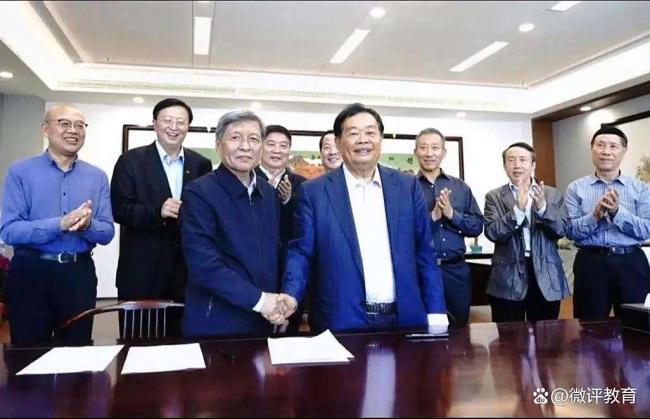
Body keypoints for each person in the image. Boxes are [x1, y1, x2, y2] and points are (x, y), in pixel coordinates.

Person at [277, 103, 448, 333]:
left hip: (405, 318)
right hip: (340, 320)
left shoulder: (407, 187)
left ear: (380, 140)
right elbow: (301, 252)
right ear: (339, 142)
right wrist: (291, 294)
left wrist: (436, 312)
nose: (363, 140)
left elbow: (424, 252)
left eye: (370, 132)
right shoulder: (314, 192)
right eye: (353, 133)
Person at [0, 104, 114, 345]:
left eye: (79, 125)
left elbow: (107, 232)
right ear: (45, 129)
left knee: (76, 352)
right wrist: (59, 224)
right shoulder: (20, 171)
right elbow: (9, 230)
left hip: (78, 275)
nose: (73, 130)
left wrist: (87, 226)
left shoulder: (97, 177)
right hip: (30, 273)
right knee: (28, 353)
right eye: (64, 123)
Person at [110, 98, 212, 335]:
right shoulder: (131, 161)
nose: (174, 127)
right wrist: (158, 211)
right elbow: (119, 209)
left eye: (181, 122)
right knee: (139, 342)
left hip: (187, 273)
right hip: (142, 271)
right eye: (168, 120)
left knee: (184, 343)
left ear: (188, 126)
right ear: (155, 124)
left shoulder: (201, 164)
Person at [180, 110, 285, 336]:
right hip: (215, 322)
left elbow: (275, 253)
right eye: (235, 137)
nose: (245, 146)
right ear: (219, 145)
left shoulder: (268, 193)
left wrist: (278, 307)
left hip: (263, 319)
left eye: (254, 139)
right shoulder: (199, 192)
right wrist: (261, 301)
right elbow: (204, 265)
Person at [565, 126, 650, 319]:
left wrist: (618, 212)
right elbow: (570, 232)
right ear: (592, 149)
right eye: (600, 145)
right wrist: (595, 216)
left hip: (631, 262)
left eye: (613, 146)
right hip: (590, 262)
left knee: (636, 324)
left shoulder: (641, 189)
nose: (606, 151)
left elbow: (646, 229)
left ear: (623, 151)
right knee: (589, 326)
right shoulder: (575, 188)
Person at [484, 142, 570, 322]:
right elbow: (492, 232)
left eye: (523, 160)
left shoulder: (552, 194)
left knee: (546, 334)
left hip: (546, 273)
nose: (517, 165)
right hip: (508, 274)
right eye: (511, 160)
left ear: (533, 165)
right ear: (504, 166)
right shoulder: (494, 196)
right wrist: (517, 211)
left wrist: (543, 209)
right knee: (509, 335)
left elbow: (562, 230)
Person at [414, 127, 483, 327]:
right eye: (423, 147)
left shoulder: (460, 187)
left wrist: (453, 215)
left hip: (456, 270)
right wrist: (433, 216)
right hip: (420, 270)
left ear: (443, 152)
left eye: (435, 148)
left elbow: (477, 226)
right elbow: (400, 232)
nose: (429, 153)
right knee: (423, 329)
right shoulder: (407, 187)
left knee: (459, 329)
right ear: (416, 152)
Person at [254, 124, 306, 333]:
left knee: (289, 334)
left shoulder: (302, 184)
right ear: (261, 147)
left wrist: (288, 200)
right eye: (271, 144)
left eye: (283, 146)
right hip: (256, 268)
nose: (277, 150)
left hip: (289, 268)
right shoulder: (247, 177)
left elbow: (304, 225)